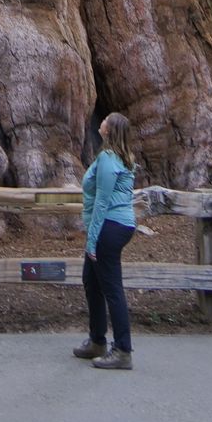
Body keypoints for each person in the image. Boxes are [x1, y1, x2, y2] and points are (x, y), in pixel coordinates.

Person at [73, 111, 136, 370]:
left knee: (111, 288)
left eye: (104, 120)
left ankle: (122, 350)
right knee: (92, 281)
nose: (100, 122)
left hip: (110, 226)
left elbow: (102, 201)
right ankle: (97, 340)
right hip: (112, 225)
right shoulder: (113, 156)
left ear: (109, 130)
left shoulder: (109, 159)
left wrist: (92, 239)